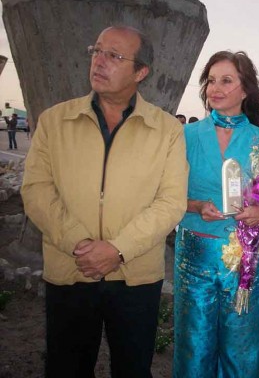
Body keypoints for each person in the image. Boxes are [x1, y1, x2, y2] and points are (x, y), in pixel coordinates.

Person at [21, 26, 188, 378]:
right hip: (71, 270)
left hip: (135, 279)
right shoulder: (54, 120)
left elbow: (171, 202)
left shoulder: (167, 130)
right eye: (97, 50)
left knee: (132, 369)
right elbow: (36, 189)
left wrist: (118, 249)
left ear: (140, 72)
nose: (100, 61)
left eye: (115, 55)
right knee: (66, 368)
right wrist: (79, 244)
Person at [173, 50, 259, 378]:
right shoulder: (185, 136)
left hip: (248, 261)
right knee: (194, 345)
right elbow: (164, 192)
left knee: (243, 347)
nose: (214, 88)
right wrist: (196, 206)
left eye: (226, 80)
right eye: (211, 81)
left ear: (245, 90)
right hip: (195, 256)